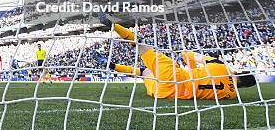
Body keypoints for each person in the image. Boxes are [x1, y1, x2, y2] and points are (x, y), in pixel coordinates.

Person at [96, 13, 256, 100]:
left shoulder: (222, 65)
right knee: (145, 72)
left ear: (240, 72)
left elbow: (187, 55)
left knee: (140, 44)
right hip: (169, 93)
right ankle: (112, 66)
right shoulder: (231, 95)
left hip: (176, 75)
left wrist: (192, 69)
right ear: (243, 87)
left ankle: (114, 26)